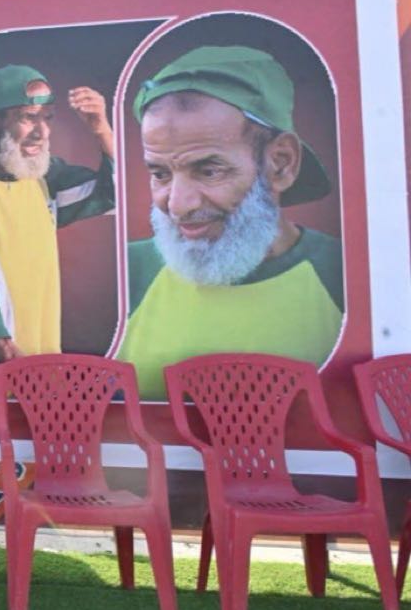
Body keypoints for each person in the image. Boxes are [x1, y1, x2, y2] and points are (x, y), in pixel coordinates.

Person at [116, 45, 342, 399]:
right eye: (160, 174)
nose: (177, 205)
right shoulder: (125, 272)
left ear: (280, 163)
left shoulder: (343, 274)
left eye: (208, 170)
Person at [0, 63, 115, 373]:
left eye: (48, 118)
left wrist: (101, 129)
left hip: (40, 357)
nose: (42, 132)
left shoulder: (44, 175)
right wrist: (4, 348)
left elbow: (111, 194)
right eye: (29, 118)